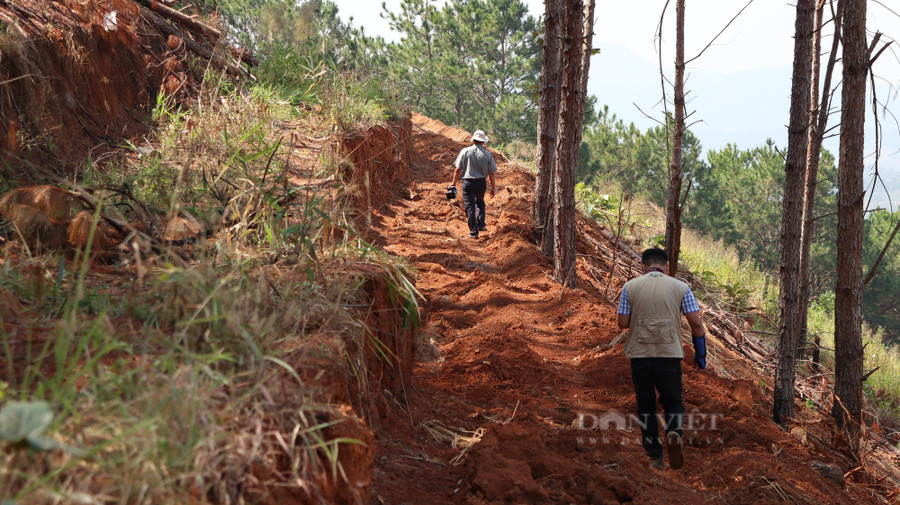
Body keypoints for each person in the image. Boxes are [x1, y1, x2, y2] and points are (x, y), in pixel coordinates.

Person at [616, 247, 708, 470]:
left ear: (643, 267)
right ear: (667, 267)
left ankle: (654, 456)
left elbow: (623, 323)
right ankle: (674, 432)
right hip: (669, 356)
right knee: (673, 401)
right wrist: (701, 355)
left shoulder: (630, 287)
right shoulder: (681, 288)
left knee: (646, 406)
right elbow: (696, 324)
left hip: (640, 355)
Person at [450, 129, 498, 238]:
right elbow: (492, 173)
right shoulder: (487, 155)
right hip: (481, 183)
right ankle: (481, 224)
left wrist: (453, 183)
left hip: (467, 183)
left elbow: (458, 170)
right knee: (480, 202)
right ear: (483, 141)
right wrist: (493, 188)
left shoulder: (465, 151)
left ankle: (474, 231)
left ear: (473, 140)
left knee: (470, 207)